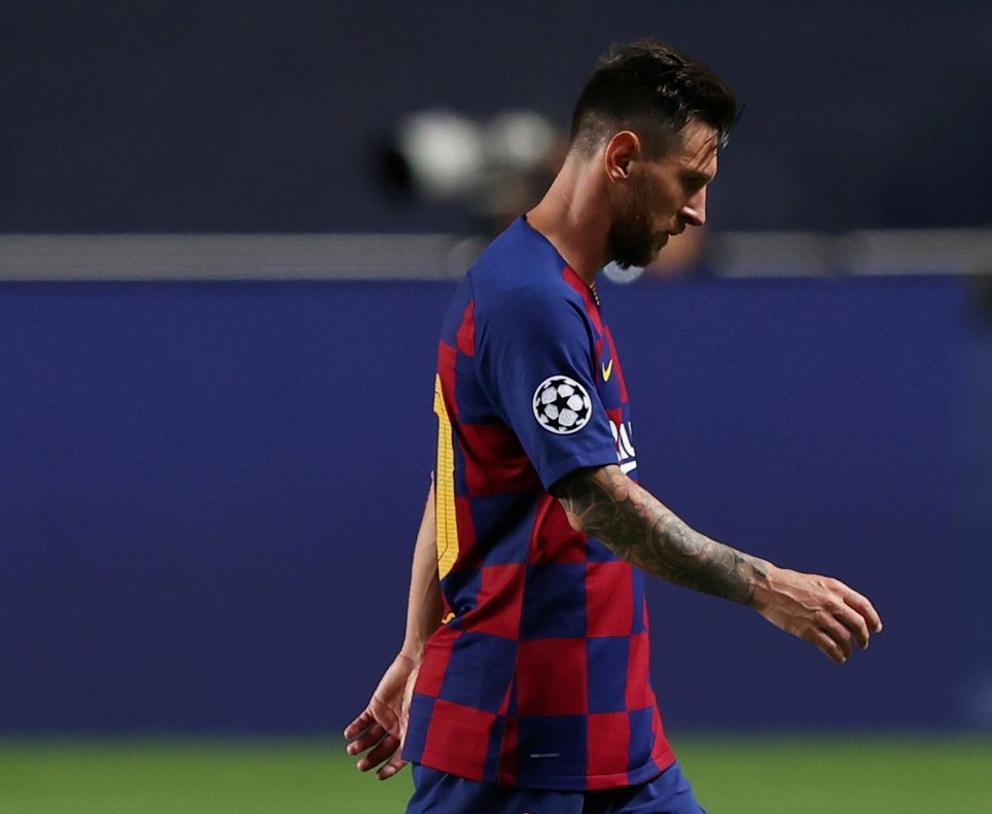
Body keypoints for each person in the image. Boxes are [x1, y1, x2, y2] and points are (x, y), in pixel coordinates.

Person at [345, 40, 883, 814]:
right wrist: (767, 588)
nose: (697, 211)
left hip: (611, 737)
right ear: (624, 157)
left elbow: (451, 480)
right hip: (521, 745)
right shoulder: (529, 301)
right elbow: (594, 503)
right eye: (690, 182)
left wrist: (416, 645)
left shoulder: (552, 286)